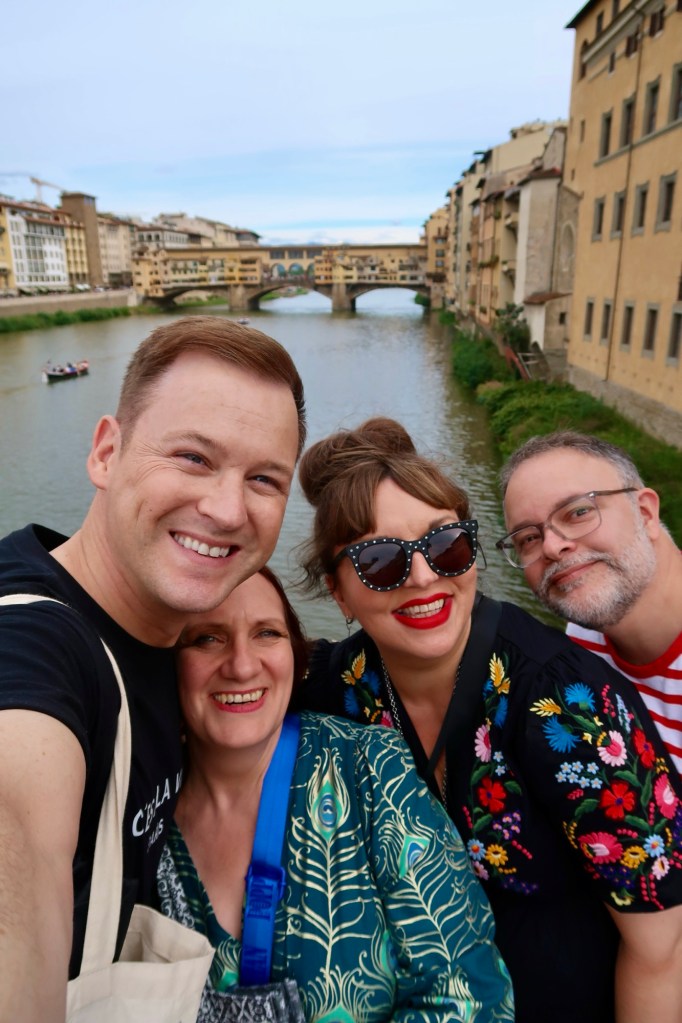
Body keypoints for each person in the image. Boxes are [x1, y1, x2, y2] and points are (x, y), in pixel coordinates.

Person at [295, 416, 682, 1023]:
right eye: (380, 560)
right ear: (339, 592)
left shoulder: (565, 701)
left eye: (446, 545)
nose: (424, 576)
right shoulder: (337, 686)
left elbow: (661, 949)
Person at [0, 315, 306, 1022]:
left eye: (264, 478)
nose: (227, 509)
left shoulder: (173, 641)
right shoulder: (34, 644)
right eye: (193, 457)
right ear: (106, 453)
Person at [157, 565, 514, 1022]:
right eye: (208, 638)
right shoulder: (140, 801)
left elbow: (469, 995)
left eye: (267, 633)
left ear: (294, 654)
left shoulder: (369, 770)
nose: (242, 665)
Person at [498, 431, 682, 774]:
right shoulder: (580, 646)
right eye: (529, 538)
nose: (552, 547)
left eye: (578, 512)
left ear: (645, 514)